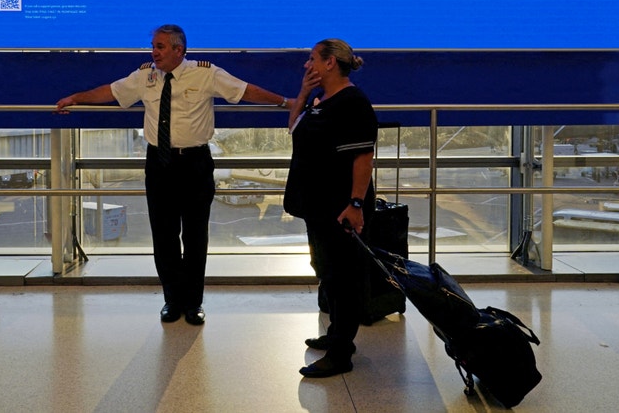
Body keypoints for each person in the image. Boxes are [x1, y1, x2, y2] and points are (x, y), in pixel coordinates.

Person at [55, 24, 292, 325]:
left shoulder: (206, 73)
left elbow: (245, 91)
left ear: (180, 50)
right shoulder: (145, 76)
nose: (154, 51)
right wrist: (74, 98)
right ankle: (172, 299)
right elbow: (110, 92)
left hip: (195, 163)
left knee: (195, 235)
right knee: (164, 235)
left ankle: (193, 302)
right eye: (153, 45)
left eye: (161, 46)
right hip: (159, 164)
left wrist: (285, 102)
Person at [283, 38, 377, 378]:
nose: (307, 65)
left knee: (343, 276)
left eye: (312, 60)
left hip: (339, 207)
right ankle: (336, 333)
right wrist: (303, 94)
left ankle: (341, 351)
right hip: (317, 204)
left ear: (329, 64)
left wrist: (355, 203)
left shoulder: (352, 103)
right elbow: (293, 128)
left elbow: (363, 157)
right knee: (326, 270)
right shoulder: (323, 101)